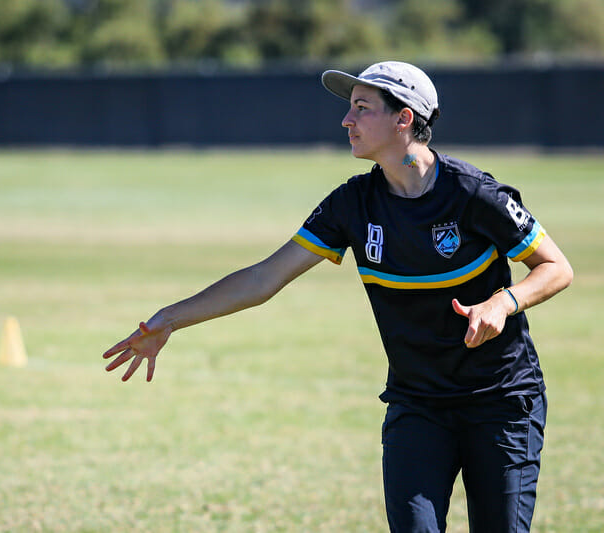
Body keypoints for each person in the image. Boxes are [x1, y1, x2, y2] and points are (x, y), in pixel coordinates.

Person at [103, 61, 573, 532]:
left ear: (403, 118)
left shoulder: (474, 194)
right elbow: (262, 279)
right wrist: (169, 319)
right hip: (418, 407)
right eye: (350, 109)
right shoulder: (351, 204)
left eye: (362, 109)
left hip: (502, 403)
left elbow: (556, 267)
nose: (347, 121)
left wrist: (502, 303)